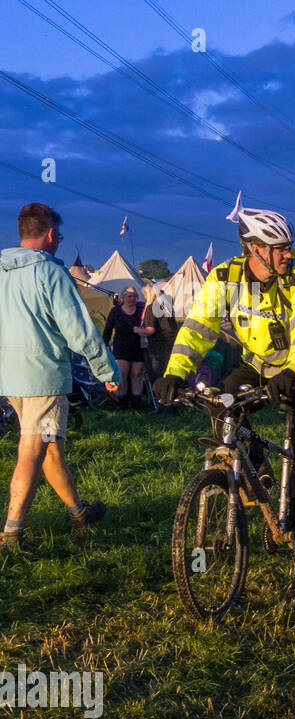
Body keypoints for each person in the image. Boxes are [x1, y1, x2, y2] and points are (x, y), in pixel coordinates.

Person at [155, 207, 295, 577]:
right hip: (258, 363)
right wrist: (175, 372)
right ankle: (259, 470)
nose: (288, 254)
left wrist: (293, 368)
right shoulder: (225, 277)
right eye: (280, 248)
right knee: (223, 402)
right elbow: (198, 328)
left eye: (289, 247)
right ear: (254, 249)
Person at [0, 202, 120, 552]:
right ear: (51, 234)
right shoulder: (51, 274)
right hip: (43, 378)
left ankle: (79, 513)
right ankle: (11, 532)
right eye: (60, 236)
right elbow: (79, 331)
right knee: (32, 451)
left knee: (51, 447)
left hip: (11, 379)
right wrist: (106, 370)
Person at [102, 285, 153, 410]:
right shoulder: (116, 311)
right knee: (122, 374)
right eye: (129, 296)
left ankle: (136, 403)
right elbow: (108, 329)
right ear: (123, 297)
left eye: (134, 296)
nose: (132, 299)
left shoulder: (141, 309)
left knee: (137, 375)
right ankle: (123, 403)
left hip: (138, 346)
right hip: (121, 347)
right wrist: (104, 343)